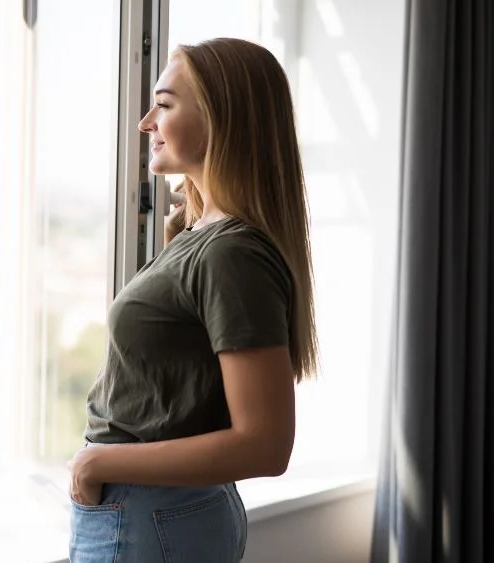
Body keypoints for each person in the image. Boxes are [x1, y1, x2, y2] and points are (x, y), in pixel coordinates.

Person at [67, 37, 318, 562]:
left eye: (163, 103)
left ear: (220, 117)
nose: (145, 122)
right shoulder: (208, 237)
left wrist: (96, 465)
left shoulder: (232, 253)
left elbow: (265, 445)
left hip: (146, 514)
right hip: (159, 513)